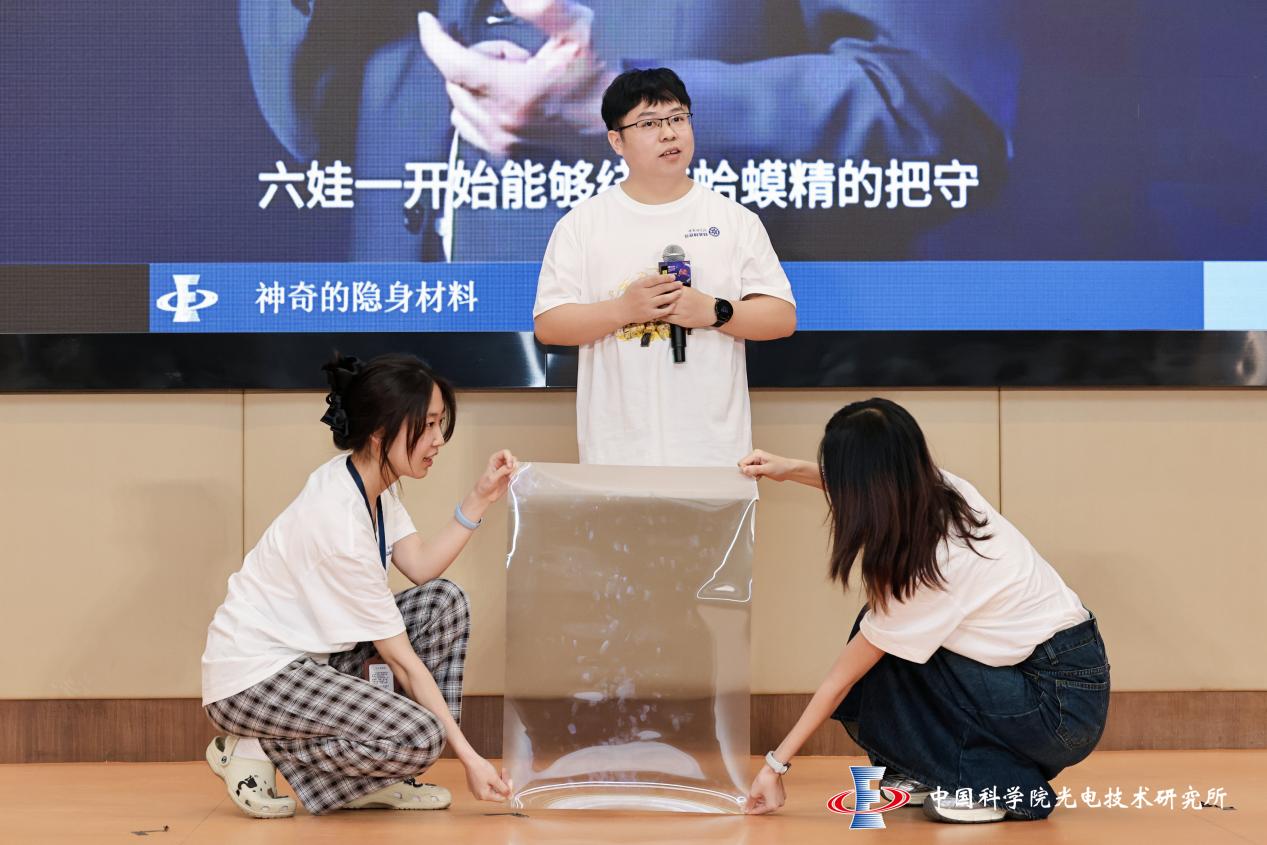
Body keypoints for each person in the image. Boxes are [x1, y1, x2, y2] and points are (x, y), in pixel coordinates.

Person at [241, 0, 1009, 261]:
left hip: (692, 396)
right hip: (403, 388)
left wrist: (634, 111)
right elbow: (309, 123)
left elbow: (946, 125)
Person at [739, 398, 1109, 823]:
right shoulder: (941, 489)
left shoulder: (931, 568)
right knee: (885, 636)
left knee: (879, 649)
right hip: (1062, 678)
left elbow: (840, 681)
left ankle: (998, 788)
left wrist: (775, 766)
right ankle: (926, 770)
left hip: (1058, 709)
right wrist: (789, 469)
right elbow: (869, 484)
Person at [200, 353, 518, 817]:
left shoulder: (369, 484)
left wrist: (480, 497)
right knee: (421, 736)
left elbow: (421, 566)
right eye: (427, 425)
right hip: (253, 681)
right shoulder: (341, 525)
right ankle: (254, 747)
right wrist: (470, 758)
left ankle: (371, 780)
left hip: (311, 662)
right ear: (380, 432)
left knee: (442, 603)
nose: (437, 440)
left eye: (439, 424)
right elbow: (402, 662)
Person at [533, 67, 797, 466]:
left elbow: (781, 317)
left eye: (677, 118)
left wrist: (713, 311)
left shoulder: (734, 220)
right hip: (617, 453)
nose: (669, 133)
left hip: (715, 453)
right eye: (650, 123)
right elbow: (550, 325)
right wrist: (624, 309)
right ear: (616, 141)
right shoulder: (582, 224)